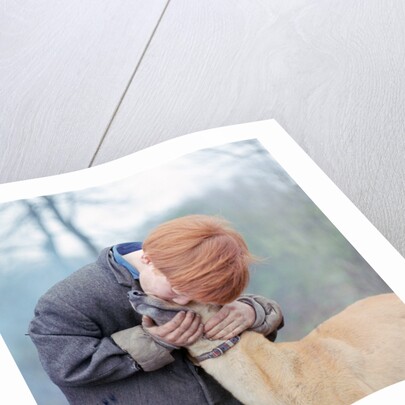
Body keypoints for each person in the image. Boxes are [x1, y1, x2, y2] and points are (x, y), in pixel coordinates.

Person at [29, 215, 284, 405]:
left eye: (197, 297)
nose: (184, 302)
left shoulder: (191, 272)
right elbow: (65, 367)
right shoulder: (65, 301)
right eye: (177, 291)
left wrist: (253, 312)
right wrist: (154, 342)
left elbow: (250, 337)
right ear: (148, 258)